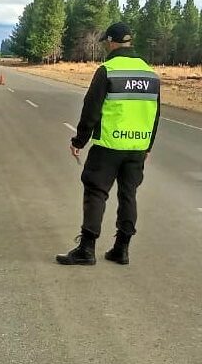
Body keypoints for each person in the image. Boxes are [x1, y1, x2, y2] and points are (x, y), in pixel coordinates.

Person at [56, 22, 160, 266]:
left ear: (112, 42)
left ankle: (87, 249)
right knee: (128, 195)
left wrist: (79, 140)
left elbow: (91, 109)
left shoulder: (108, 70)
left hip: (108, 146)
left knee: (95, 192)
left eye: (106, 42)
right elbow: (155, 115)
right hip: (136, 149)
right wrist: (147, 147)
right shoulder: (150, 74)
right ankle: (121, 249)